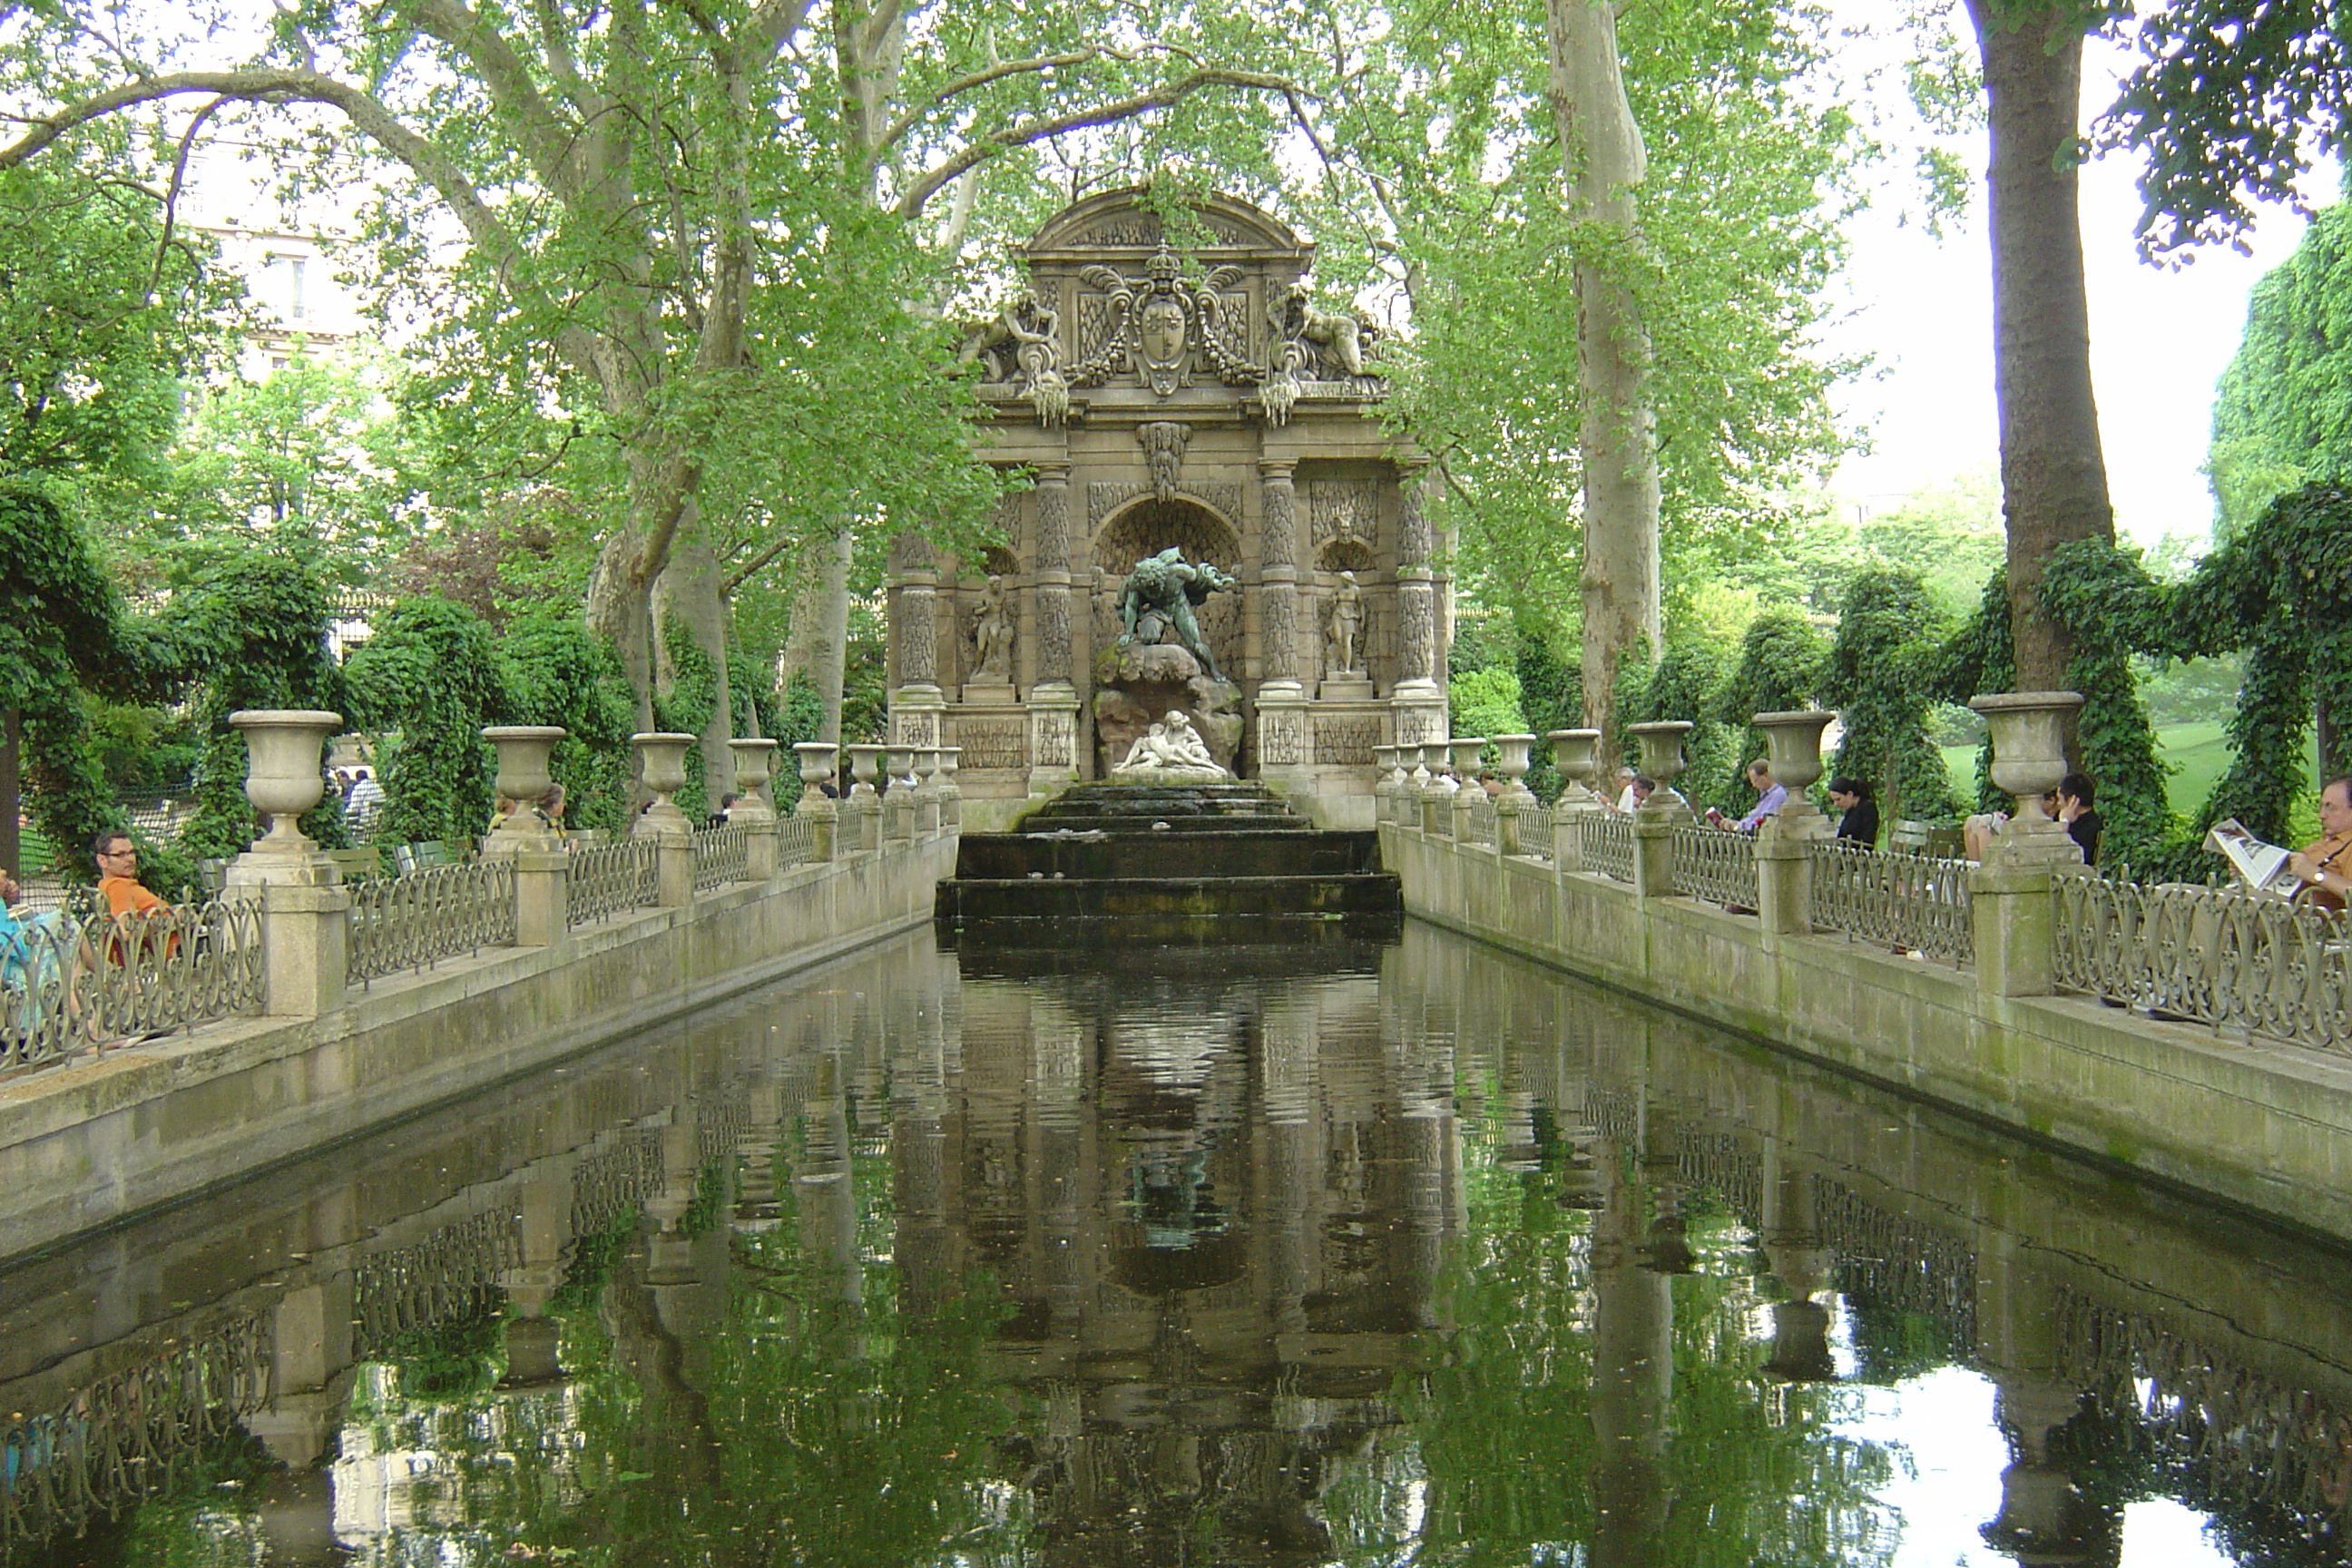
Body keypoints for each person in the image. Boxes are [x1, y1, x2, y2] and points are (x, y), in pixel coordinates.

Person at [2287, 775, 2352, 914]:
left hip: (2315, 924)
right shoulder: (2323, 842)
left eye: (2331, 807)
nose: (2321, 815)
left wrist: (2316, 874)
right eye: (2322, 806)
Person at [1708, 760, 1786, 832]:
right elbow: (1753, 817)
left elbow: (1762, 822)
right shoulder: (1765, 795)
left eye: (1756, 780)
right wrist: (1735, 824)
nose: (1754, 785)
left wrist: (1738, 827)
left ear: (1766, 775)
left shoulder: (1778, 794)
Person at [2056, 772, 2101, 867]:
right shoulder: (2091, 822)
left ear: (2071, 800)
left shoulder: (2087, 830)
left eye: (2059, 799)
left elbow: (2058, 855)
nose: (2058, 803)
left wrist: (2064, 822)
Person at [1827, 777, 1878, 847]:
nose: (1835, 804)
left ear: (1850, 794)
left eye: (1838, 799)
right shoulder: (1850, 809)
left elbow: (1867, 840)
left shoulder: (1868, 808)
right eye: (1833, 801)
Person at [346, 768, 384, 835]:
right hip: (378, 820)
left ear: (357, 779)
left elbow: (354, 807)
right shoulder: (378, 787)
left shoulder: (359, 788)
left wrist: (345, 813)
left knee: (345, 818)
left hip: (364, 819)